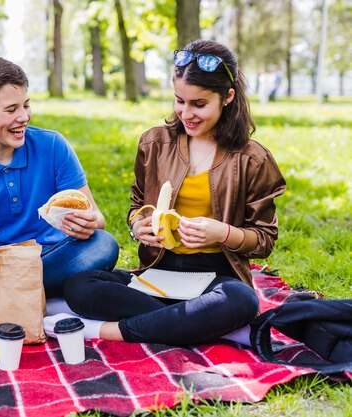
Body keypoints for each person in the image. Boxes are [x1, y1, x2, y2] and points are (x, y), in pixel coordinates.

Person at [45, 40, 286, 346]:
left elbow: (263, 240)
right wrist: (138, 226)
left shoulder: (253, 158)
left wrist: (222, 233)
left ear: (228, 97)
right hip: (159, 270)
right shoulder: (154, 144)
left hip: (214, 276)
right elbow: (136, 207)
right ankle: (200, 323)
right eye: (179, 101)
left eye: (199, 104)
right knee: (81, 285)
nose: (187, 113)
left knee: (241, 300)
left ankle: (104, 330)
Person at [0, 55, 119, 298]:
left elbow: (98, 220)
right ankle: (35, 296)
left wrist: (89, 223)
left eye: (26, 105)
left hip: (52, 255)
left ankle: (6, 296)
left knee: (103, 244)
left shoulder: (52, 145)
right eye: (11, 109)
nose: (24, 117)